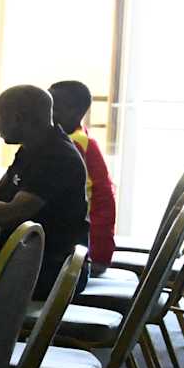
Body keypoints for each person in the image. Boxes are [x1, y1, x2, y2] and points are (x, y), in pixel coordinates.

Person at [0, 85, 91, 299]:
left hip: (54, 270)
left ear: (18, 118)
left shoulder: (58, 157)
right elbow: (1, 191)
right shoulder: (32, 147)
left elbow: (10, 214)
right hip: (34, 261)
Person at [51, 80, 117, 276]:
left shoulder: (71, 146)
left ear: (74, 111)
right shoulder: (81, 138)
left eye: (52, 107)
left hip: (87, 253)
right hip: (95, 246)